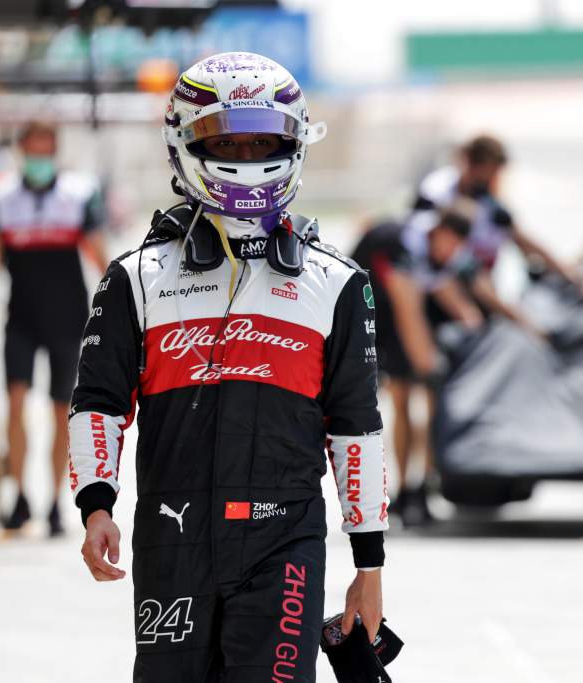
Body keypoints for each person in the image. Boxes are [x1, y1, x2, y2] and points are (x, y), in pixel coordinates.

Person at [68, 52, 389, 682]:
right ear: (185, 140)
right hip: (171, 539)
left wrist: (369, 567)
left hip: (285, 542)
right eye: (229, 139)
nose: (246, 154)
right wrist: (96, 506)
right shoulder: (136, 278)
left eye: (264, 140)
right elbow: (98, 401)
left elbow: (357, 431)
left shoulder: (338, 282)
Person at [0, 120, 107, 535]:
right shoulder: (1, 199)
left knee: (60, 412)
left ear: (55, 152)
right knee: (15, 406)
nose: (39, 160)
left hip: (69, 320)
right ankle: (19, 496)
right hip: (22, 319)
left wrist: (119, 321)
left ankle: (53, 502)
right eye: (32, 152)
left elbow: (102, 260)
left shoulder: (78, 195)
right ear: (21, 152)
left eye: (45, 152)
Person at [352, 202, 481, 526]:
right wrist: (428, 367)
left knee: (429, 404)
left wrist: (476, 326)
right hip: (375, 315)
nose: (452, 252)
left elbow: (446, 290)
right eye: (450, 244)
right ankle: (402, 492)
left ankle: (420, 488)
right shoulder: (401, 244)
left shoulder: (437, 247)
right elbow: (407, 308)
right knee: (404, 399)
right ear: (439, 232)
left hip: (395, 314)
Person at [406, 134, 583, 307]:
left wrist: (576, 280)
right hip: (430, 288)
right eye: (487, 174)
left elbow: (527, 243)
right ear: (468, 163)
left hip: (476, 291)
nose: (492, 182)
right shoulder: (437, 191)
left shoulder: (492, 209)